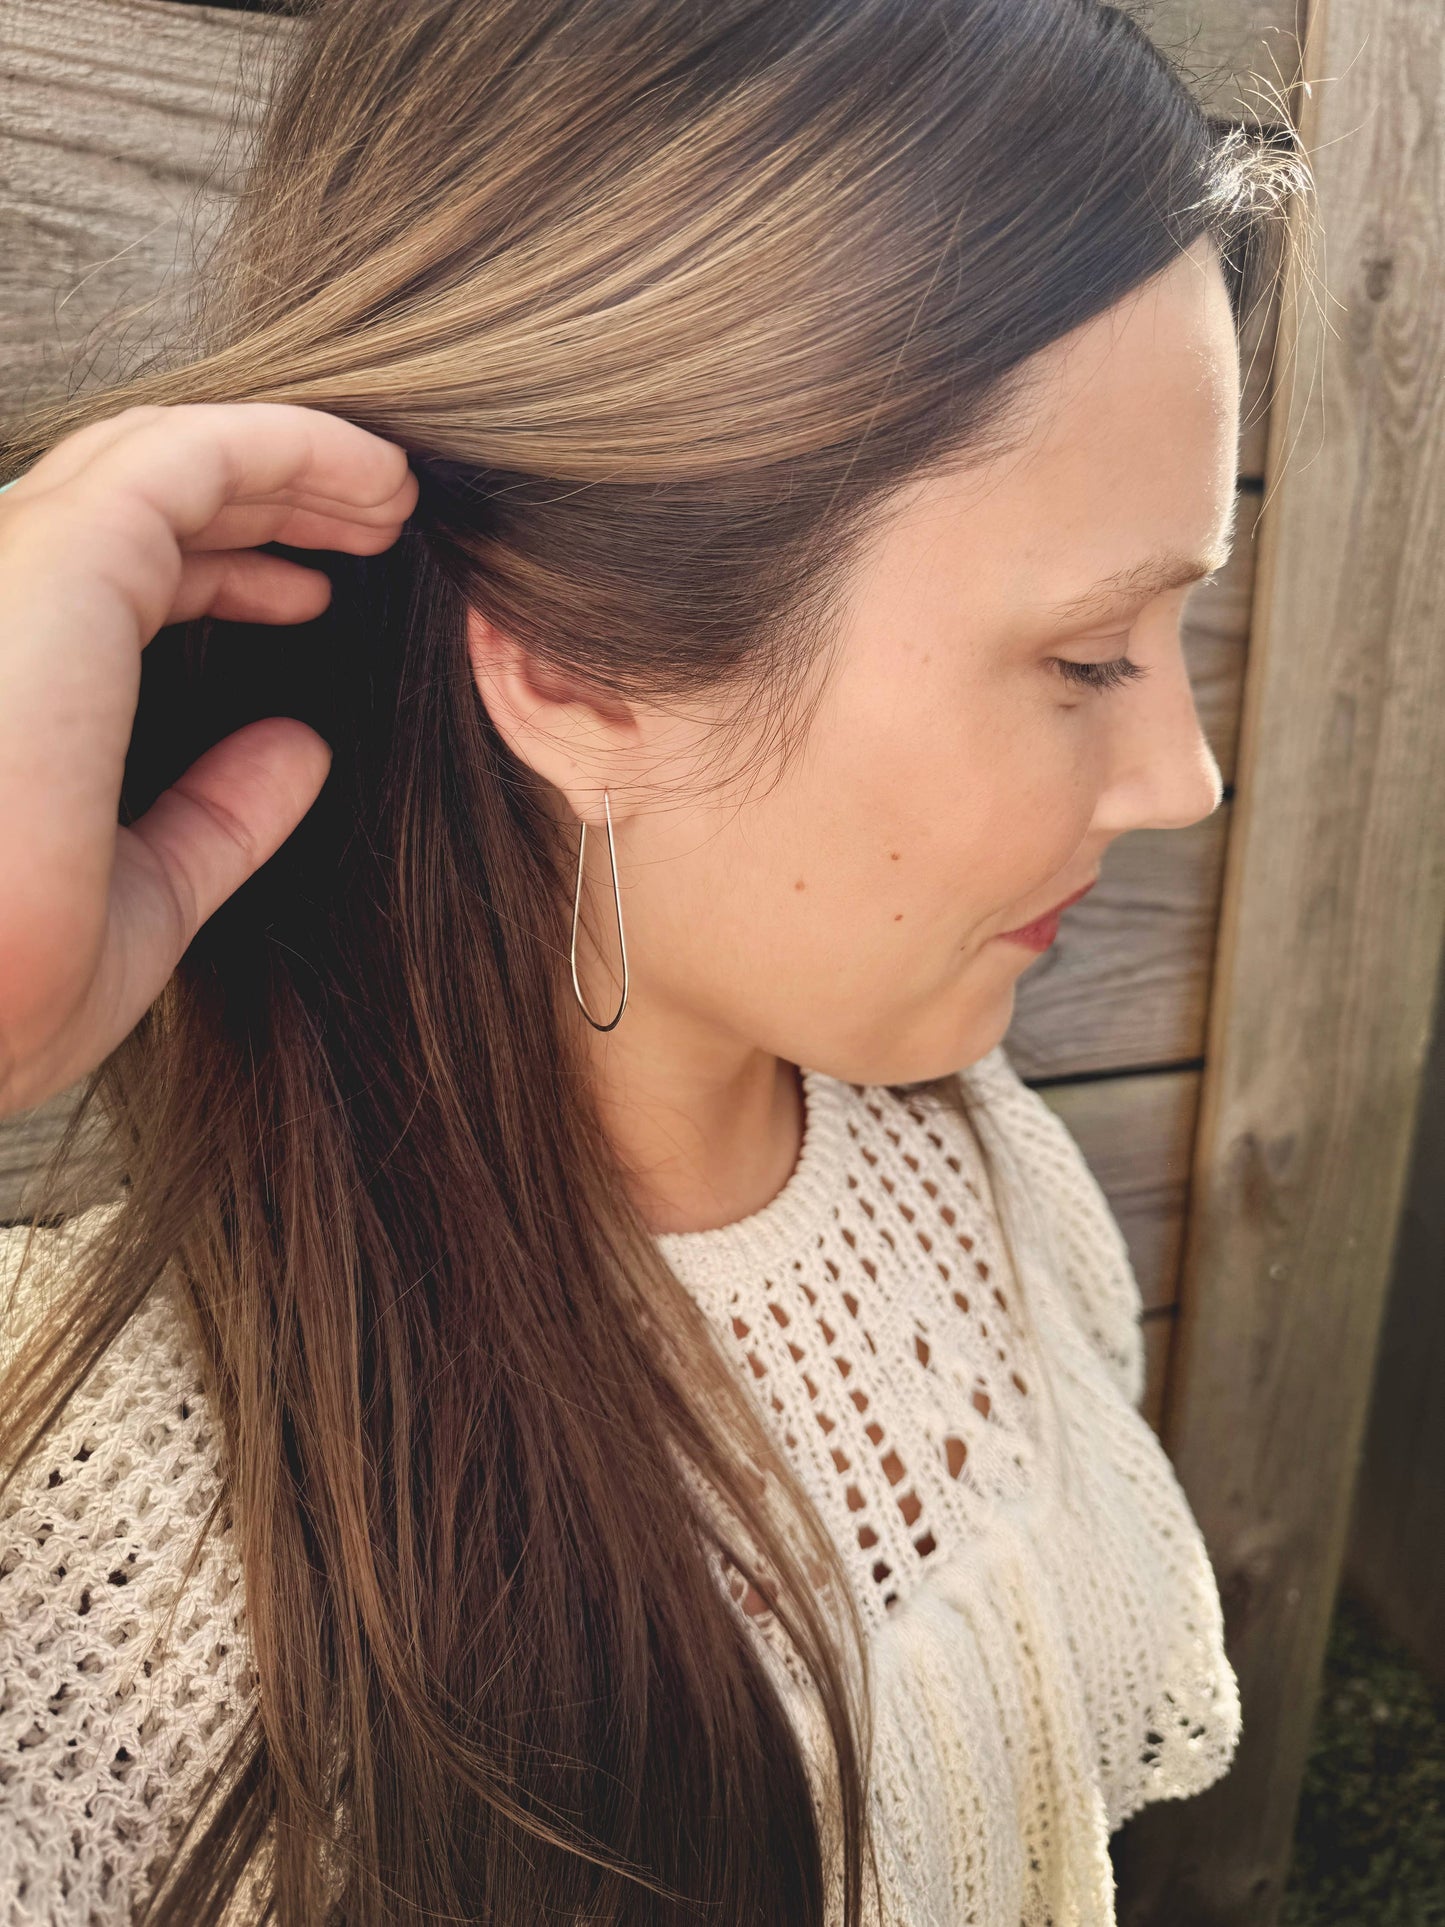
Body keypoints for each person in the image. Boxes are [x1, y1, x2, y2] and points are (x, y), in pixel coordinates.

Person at [0, 0, 1311, 1921]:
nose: (1182, 780)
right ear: (577, 668)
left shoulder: (984, 1169)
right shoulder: (112, 1574)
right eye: (1088, 655)